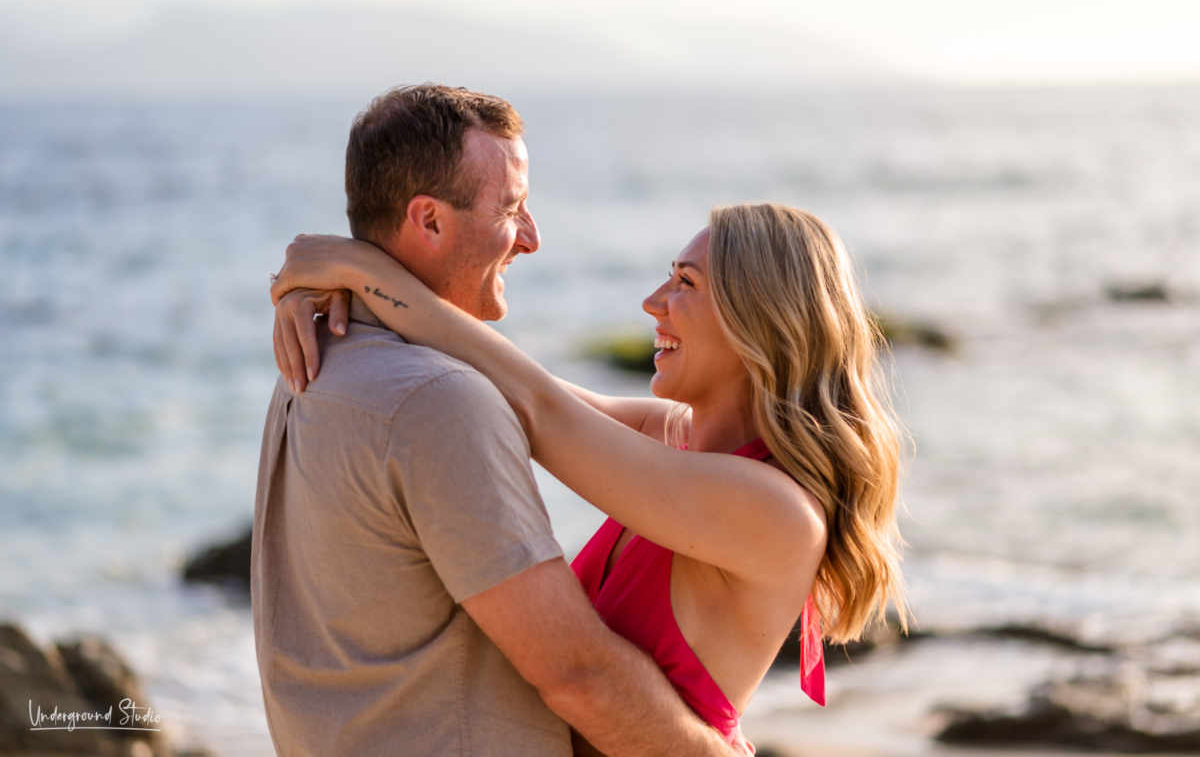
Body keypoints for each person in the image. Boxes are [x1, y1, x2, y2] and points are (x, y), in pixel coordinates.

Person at [271, 196, 910, 752]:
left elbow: (539, 407)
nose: (652, 302)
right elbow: (515, 385)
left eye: (684, 283)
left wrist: (358, 266)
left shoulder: (775, 512)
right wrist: (343, 298)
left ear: (758, 320)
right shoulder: (672, 438)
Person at [252, 84, 747, 757]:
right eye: (512, 209)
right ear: (427, 221)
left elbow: (625, 422)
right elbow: (579, 674)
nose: (533, 238)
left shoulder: (311, 364)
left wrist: (356, 269)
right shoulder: (440, 400)